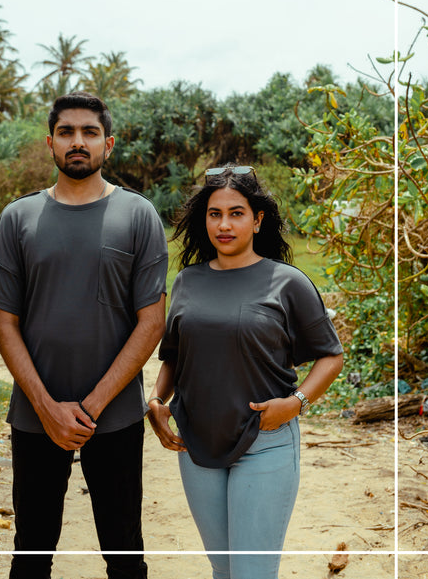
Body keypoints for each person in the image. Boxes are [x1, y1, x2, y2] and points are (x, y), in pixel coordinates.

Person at [0, 92, 168, 579]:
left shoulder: (138, 215)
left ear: (109, 144)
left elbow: (151, 321)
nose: (77, 142)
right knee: (32, 549)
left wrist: (92, 406)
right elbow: (5, 323)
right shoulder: (17, 219)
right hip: (35, 415)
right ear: (50, 143)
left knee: (125, 550)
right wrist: (46, 407)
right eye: (66, 132)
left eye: (88, 132)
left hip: (116, 414)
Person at [147, 164, 343, 579]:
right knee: (224, 570)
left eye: (237, 213)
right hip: (196, 446)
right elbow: (175, 356)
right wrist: (156, 400)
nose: (224, 224)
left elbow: (331, 355)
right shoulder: (187, 281)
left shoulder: (287, 282)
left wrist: (296, 403)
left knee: (251, 572)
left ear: (258, 220)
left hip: (265, 442)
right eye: (215, 214)